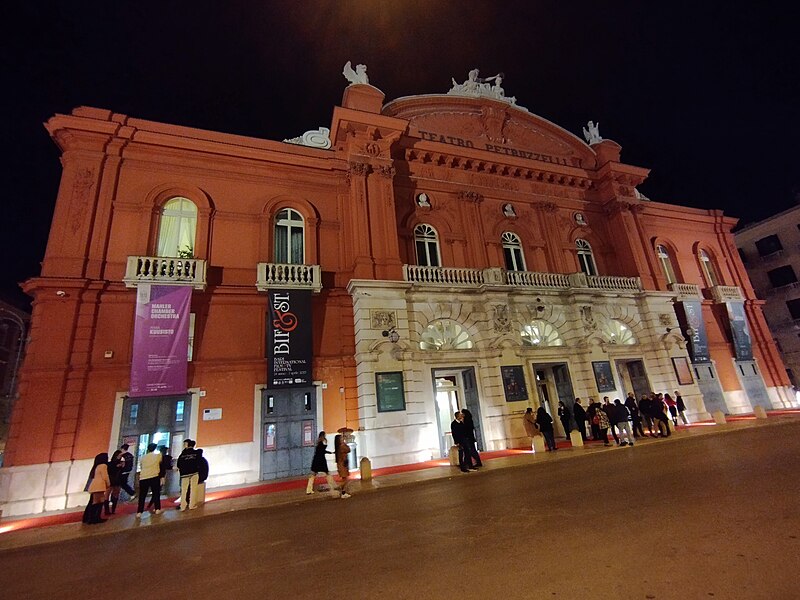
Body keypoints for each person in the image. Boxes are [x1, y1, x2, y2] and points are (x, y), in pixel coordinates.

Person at [306, 431, 338, 495]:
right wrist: (330, 452)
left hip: (316, 460)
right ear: (322, 436)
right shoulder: (321, 443)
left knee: (313, 475)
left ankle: (309, 490)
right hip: (321, 460)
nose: (325, 437)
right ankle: (333, 486)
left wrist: (330, 452)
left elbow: (322, 451)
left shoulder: (319, 443)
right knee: (327, 473)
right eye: (324, 436)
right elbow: (323, 451)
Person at [82, 453, 110, 525]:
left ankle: (91, 518)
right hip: (99, 486)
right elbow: (105, 476)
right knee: (98, 502)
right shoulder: (103, 466)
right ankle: (94, 518)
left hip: (95, 485)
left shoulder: (96, 466)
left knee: (97, 501)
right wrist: (108, 483)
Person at [136, 443, 162, 517]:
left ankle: (139, 511)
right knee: (156, 493)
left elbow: (141, 466)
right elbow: (160, 461)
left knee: (142, 495)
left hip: (144, 476)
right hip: (154, 476)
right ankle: (157, 509)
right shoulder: (157, 456)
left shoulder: (142, 457)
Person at [177, 439, 200, 511]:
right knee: (193, 489)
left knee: (184, 490)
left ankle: (183, 506)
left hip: (184, 474)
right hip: (194, 473)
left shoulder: (182, 454)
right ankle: (192, 505)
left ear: (187, 445)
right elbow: (199, 462)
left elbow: (178, 464)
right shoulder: (196, 453)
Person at [147, 445, 173, 511]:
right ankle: (155, 505)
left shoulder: (157, 457)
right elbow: (168, 466)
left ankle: (152, 503)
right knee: (157, 490)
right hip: (161, 475)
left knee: (156, 490)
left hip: (154, 474)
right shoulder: (167, 458)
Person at [105, 449, 124, 516]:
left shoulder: (121, 463)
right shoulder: (110, 464)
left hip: (117, 480)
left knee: (115, 494)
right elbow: (109, 471)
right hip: (111, 480)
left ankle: (113, 509)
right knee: (107, 495)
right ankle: (107, 510)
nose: (120, 457)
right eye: (119, 455)